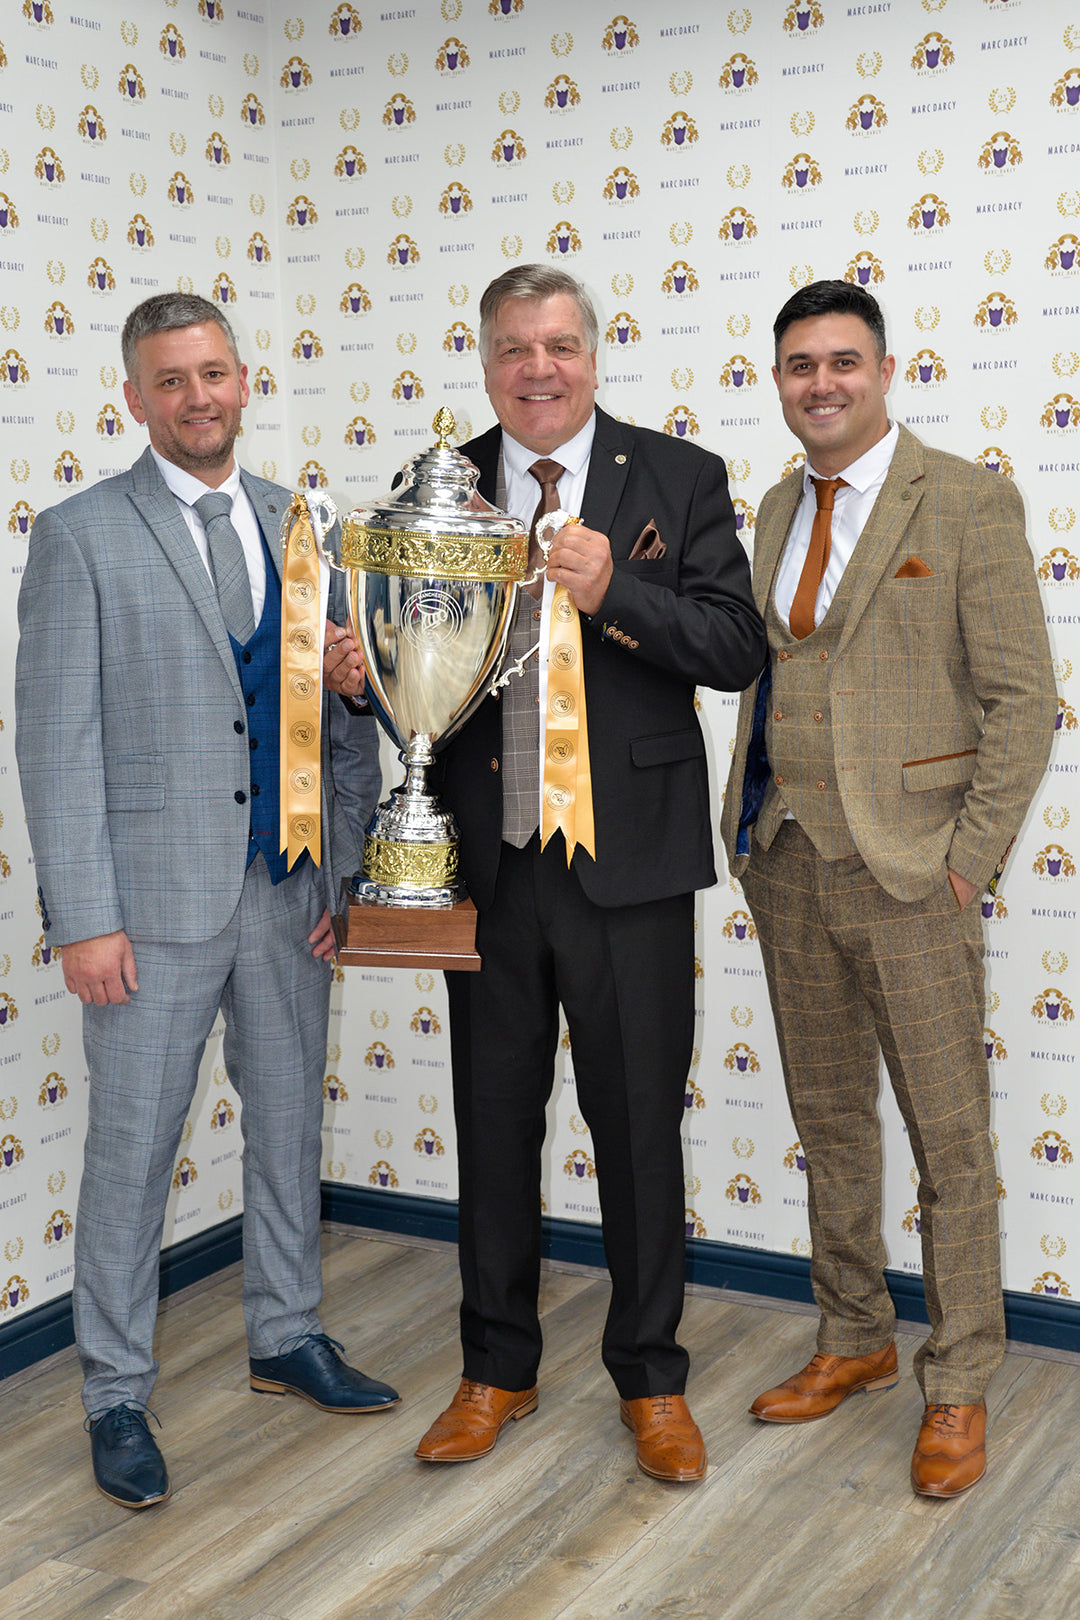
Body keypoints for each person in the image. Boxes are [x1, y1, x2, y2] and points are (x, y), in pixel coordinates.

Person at [330, 263, 765, 1482]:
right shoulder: (440, 489)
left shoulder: (678, 477)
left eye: (560, 345)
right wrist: (365, 667)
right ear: (485, 363)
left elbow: (732, 647)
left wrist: (613, 591)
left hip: (625, 866)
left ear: (593, 353)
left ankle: (651, 1379)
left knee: (635, 1132)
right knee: (493, 1121)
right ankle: (496, 1368)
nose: (539, 369)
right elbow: (410, 665)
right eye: (515, 349)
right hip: (487, 864)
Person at [15, 293, 397, 1512]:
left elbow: (343, 719)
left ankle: (287, 1335)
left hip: (289, 893)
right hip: (148, 909)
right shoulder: (81, 535)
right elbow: (56, 744)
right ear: (135, 399)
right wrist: (82, 917)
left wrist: (343, 870)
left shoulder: (306, 523)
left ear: (245, 381)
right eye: (170, 381)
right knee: (132, 1155)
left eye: (214, 375)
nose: (198, 399)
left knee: (287, 1129)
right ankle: (115, 1393)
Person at [720, 279, 1056, 1498]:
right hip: (788, 856)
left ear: (883, 369)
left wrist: (968, 860)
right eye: (800, 365)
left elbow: (1024, 700)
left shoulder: (964, 499)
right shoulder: (767, 507)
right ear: (780, 379)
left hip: (914, 871)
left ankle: (958, 1378)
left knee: (950, 1138)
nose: (821, 384)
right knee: (831, 1124)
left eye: (842, 363)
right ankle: (853, 1338)